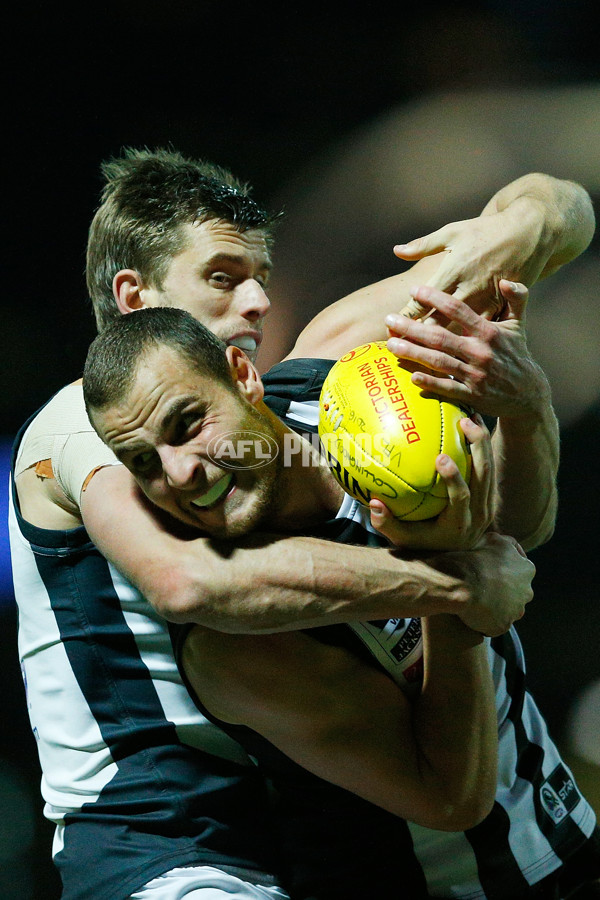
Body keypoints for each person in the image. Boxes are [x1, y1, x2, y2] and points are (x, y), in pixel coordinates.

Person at [8, 146, 595, 899]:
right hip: (155, 848)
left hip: (271, 839)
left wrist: (516, 228)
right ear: (136, 296)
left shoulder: (328, 388)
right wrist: (455, 582)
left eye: (259, 277)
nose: (255, 303)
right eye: (222, 278)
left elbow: (563, 204)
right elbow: (189, 585)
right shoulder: (84, 421)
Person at [82, 303, 600, 899]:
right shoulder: (236, 644)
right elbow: (453, 797)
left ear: (244, 375)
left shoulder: (333, 396)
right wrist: (455, 584)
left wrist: (528, 405)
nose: (177, 474)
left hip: (571, 840)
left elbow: (513, 543)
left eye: (188, 423)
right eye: (142, 462)